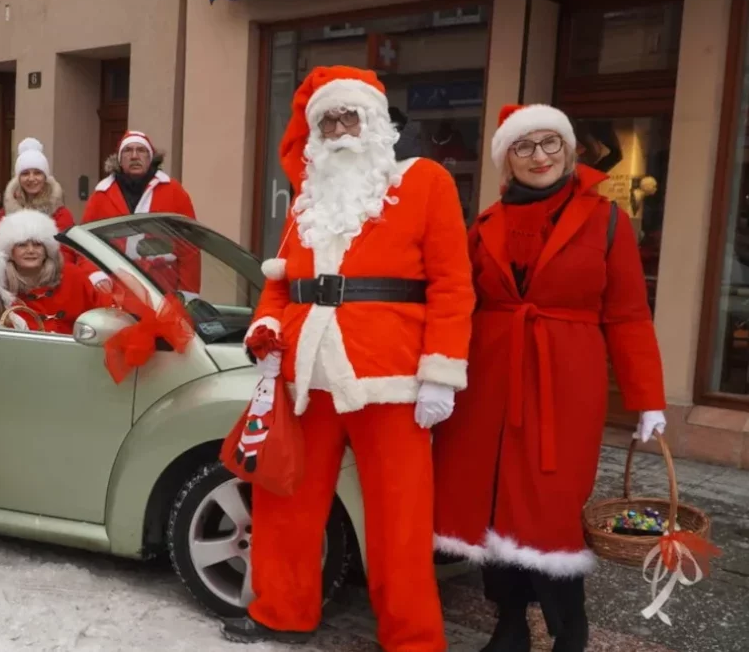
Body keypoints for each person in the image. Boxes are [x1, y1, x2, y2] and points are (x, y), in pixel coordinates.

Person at [223, 66, 474, 650]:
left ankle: (412, 638)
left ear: (377, 123)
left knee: (400, 520)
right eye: (328, 120)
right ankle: (279, 611)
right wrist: (266, 323)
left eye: (349, 117)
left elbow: (452, 284)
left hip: (391, 376)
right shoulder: (308, 198)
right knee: (284, 500)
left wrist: (441, 371)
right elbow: (281, 280)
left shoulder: (425, 181)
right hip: (306, 373)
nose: (339, 130)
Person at [432, 104, 667, 652]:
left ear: (569, 151)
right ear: (506, 161)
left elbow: (629, 315)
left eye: (549, 143)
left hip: (565, 383)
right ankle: (509, 623)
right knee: (491, 501)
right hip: (487, 385)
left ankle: (569, 628)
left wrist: (647, 399)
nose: (539, 155)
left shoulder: (606, 220)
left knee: (551, 507)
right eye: (524, 146)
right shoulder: (484, 224)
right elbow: (454, 301)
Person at [81, 130, 199, 292]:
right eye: (128, 151)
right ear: (119, 160)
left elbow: (189, 246)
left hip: (164, 290)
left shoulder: (174, 192)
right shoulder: (101, 195)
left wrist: (188, 294)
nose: (134, 156)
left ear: (150, 158)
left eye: (141, 150)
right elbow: (85, 244)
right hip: (115, 291)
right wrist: (96, 275)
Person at [0, 209, 107, 335]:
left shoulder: (73, 276)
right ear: (10, 252)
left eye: (37, 245)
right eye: (22, 245)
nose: (31, 250)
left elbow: (103, 316)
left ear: (47, 250)